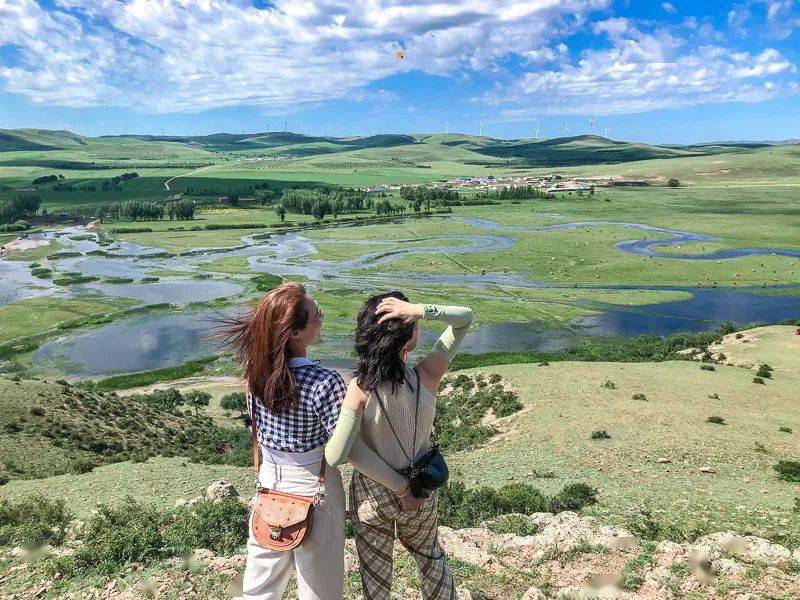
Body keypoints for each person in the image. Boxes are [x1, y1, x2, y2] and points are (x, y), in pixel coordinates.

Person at [325, 292, 474, 600]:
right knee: (431, 557)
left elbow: (337, 455)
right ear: (409, 340)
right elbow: (464, 317)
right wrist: (419, 310)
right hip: (421, 490)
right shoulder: (429, 374)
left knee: (376, 579)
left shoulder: (360, 388)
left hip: (371, 496)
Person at [219, 282, 347, 600]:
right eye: (317, 315)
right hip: (315, 485)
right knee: (320, 589)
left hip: (269, 485)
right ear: (295, 333)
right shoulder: (326, 383)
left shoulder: (255, 377)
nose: (322, 318)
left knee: (258, 587)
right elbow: (343, 451)